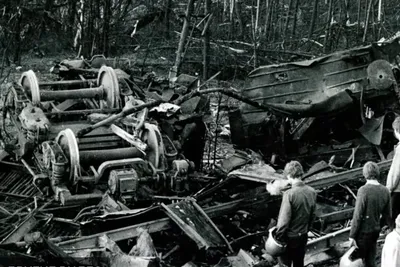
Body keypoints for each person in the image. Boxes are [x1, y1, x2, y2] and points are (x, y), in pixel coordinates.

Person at [349, 161, 392, 267]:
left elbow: (358, 215)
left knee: (355, 262)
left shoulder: (363, 190)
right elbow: (387, 215)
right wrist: (379, 225)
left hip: (362, 233)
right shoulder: (385, 190)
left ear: (364, 174)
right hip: (375, 231)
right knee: (370, 260)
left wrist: (352, 235)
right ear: (377, 173)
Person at [275, 161, 317, 267]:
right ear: (301, 173)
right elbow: (313, 216)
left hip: (289, 238)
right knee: (299, 263)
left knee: (285, 264)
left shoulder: (289, 194)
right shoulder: (312, 192)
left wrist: (278, 237)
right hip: (303, 236)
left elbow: (283, 222)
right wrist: (306, 230)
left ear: (289, 175)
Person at [387, 116, 400, 223]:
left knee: (392, 217)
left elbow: (396, 172)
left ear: (396, 131)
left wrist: (390, 187)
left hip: (398, 189)